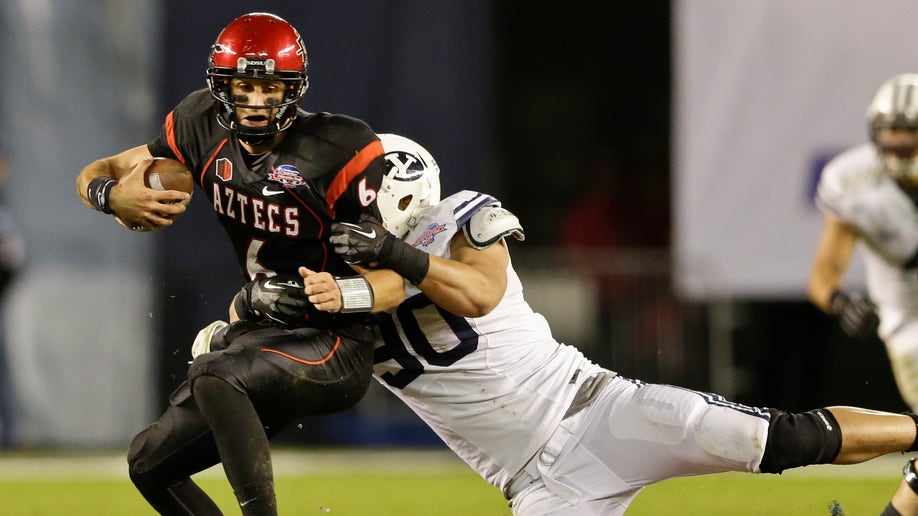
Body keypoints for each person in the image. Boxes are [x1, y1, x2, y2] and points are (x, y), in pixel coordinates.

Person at [194, 133, 918, 515]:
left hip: (599, 410)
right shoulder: (330, 272)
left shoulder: (460, 221)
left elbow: (474, 293)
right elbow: (275, 310)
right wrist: (239, 322)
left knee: (776, 437)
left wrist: (388, 257)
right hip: (534, 485)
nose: (352, 223)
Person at [75, 12, 391, 515]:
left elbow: (390, 276)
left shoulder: (340, 148)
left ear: (296, 88)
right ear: (220, 86)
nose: (257, 101)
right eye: (243, 85)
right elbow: (100, 169)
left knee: (217, 374)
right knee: (149, 464)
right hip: (262, 332)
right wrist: (110, 195)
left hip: (335, 340)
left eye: (272, 87)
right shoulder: (198, 123)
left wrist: (335, 293)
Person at [808, 73, 918, 414]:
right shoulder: (851, 180)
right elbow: (822, 276)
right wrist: (843, 304)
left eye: (911, 129)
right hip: (909, 318)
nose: (900, 141)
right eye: (892, 129)